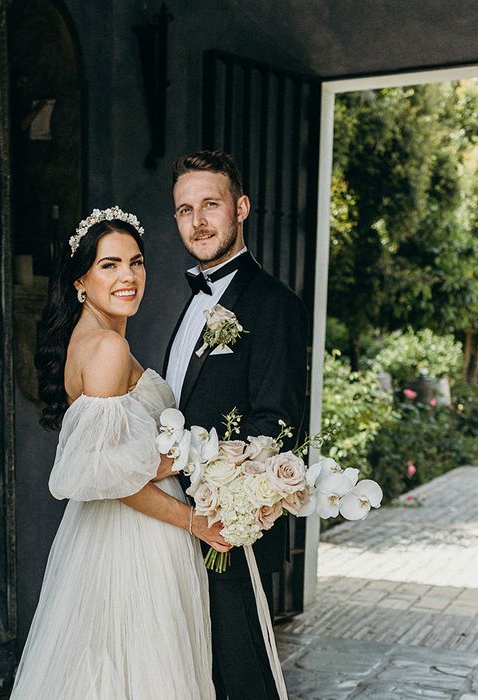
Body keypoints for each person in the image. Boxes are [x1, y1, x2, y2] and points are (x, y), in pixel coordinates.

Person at [11, 206, 225, 699]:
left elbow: (117, 461)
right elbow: (113, 478)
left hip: (119, 533)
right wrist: (192, 521)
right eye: (110, 264)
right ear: (80, 279)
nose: (128, 276)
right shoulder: (106, 350)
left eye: (136, 261)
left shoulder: (94, 340)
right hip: (132, 541)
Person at [164, 151, 309, 700]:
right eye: (184, 210)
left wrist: (230, 497)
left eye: (210, 205)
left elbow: (275, 418)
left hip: (229, 524)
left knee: (243, 673)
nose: (197, 221)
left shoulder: (273, 304)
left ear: (241, 208)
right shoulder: (193, 299)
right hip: (181, 520)